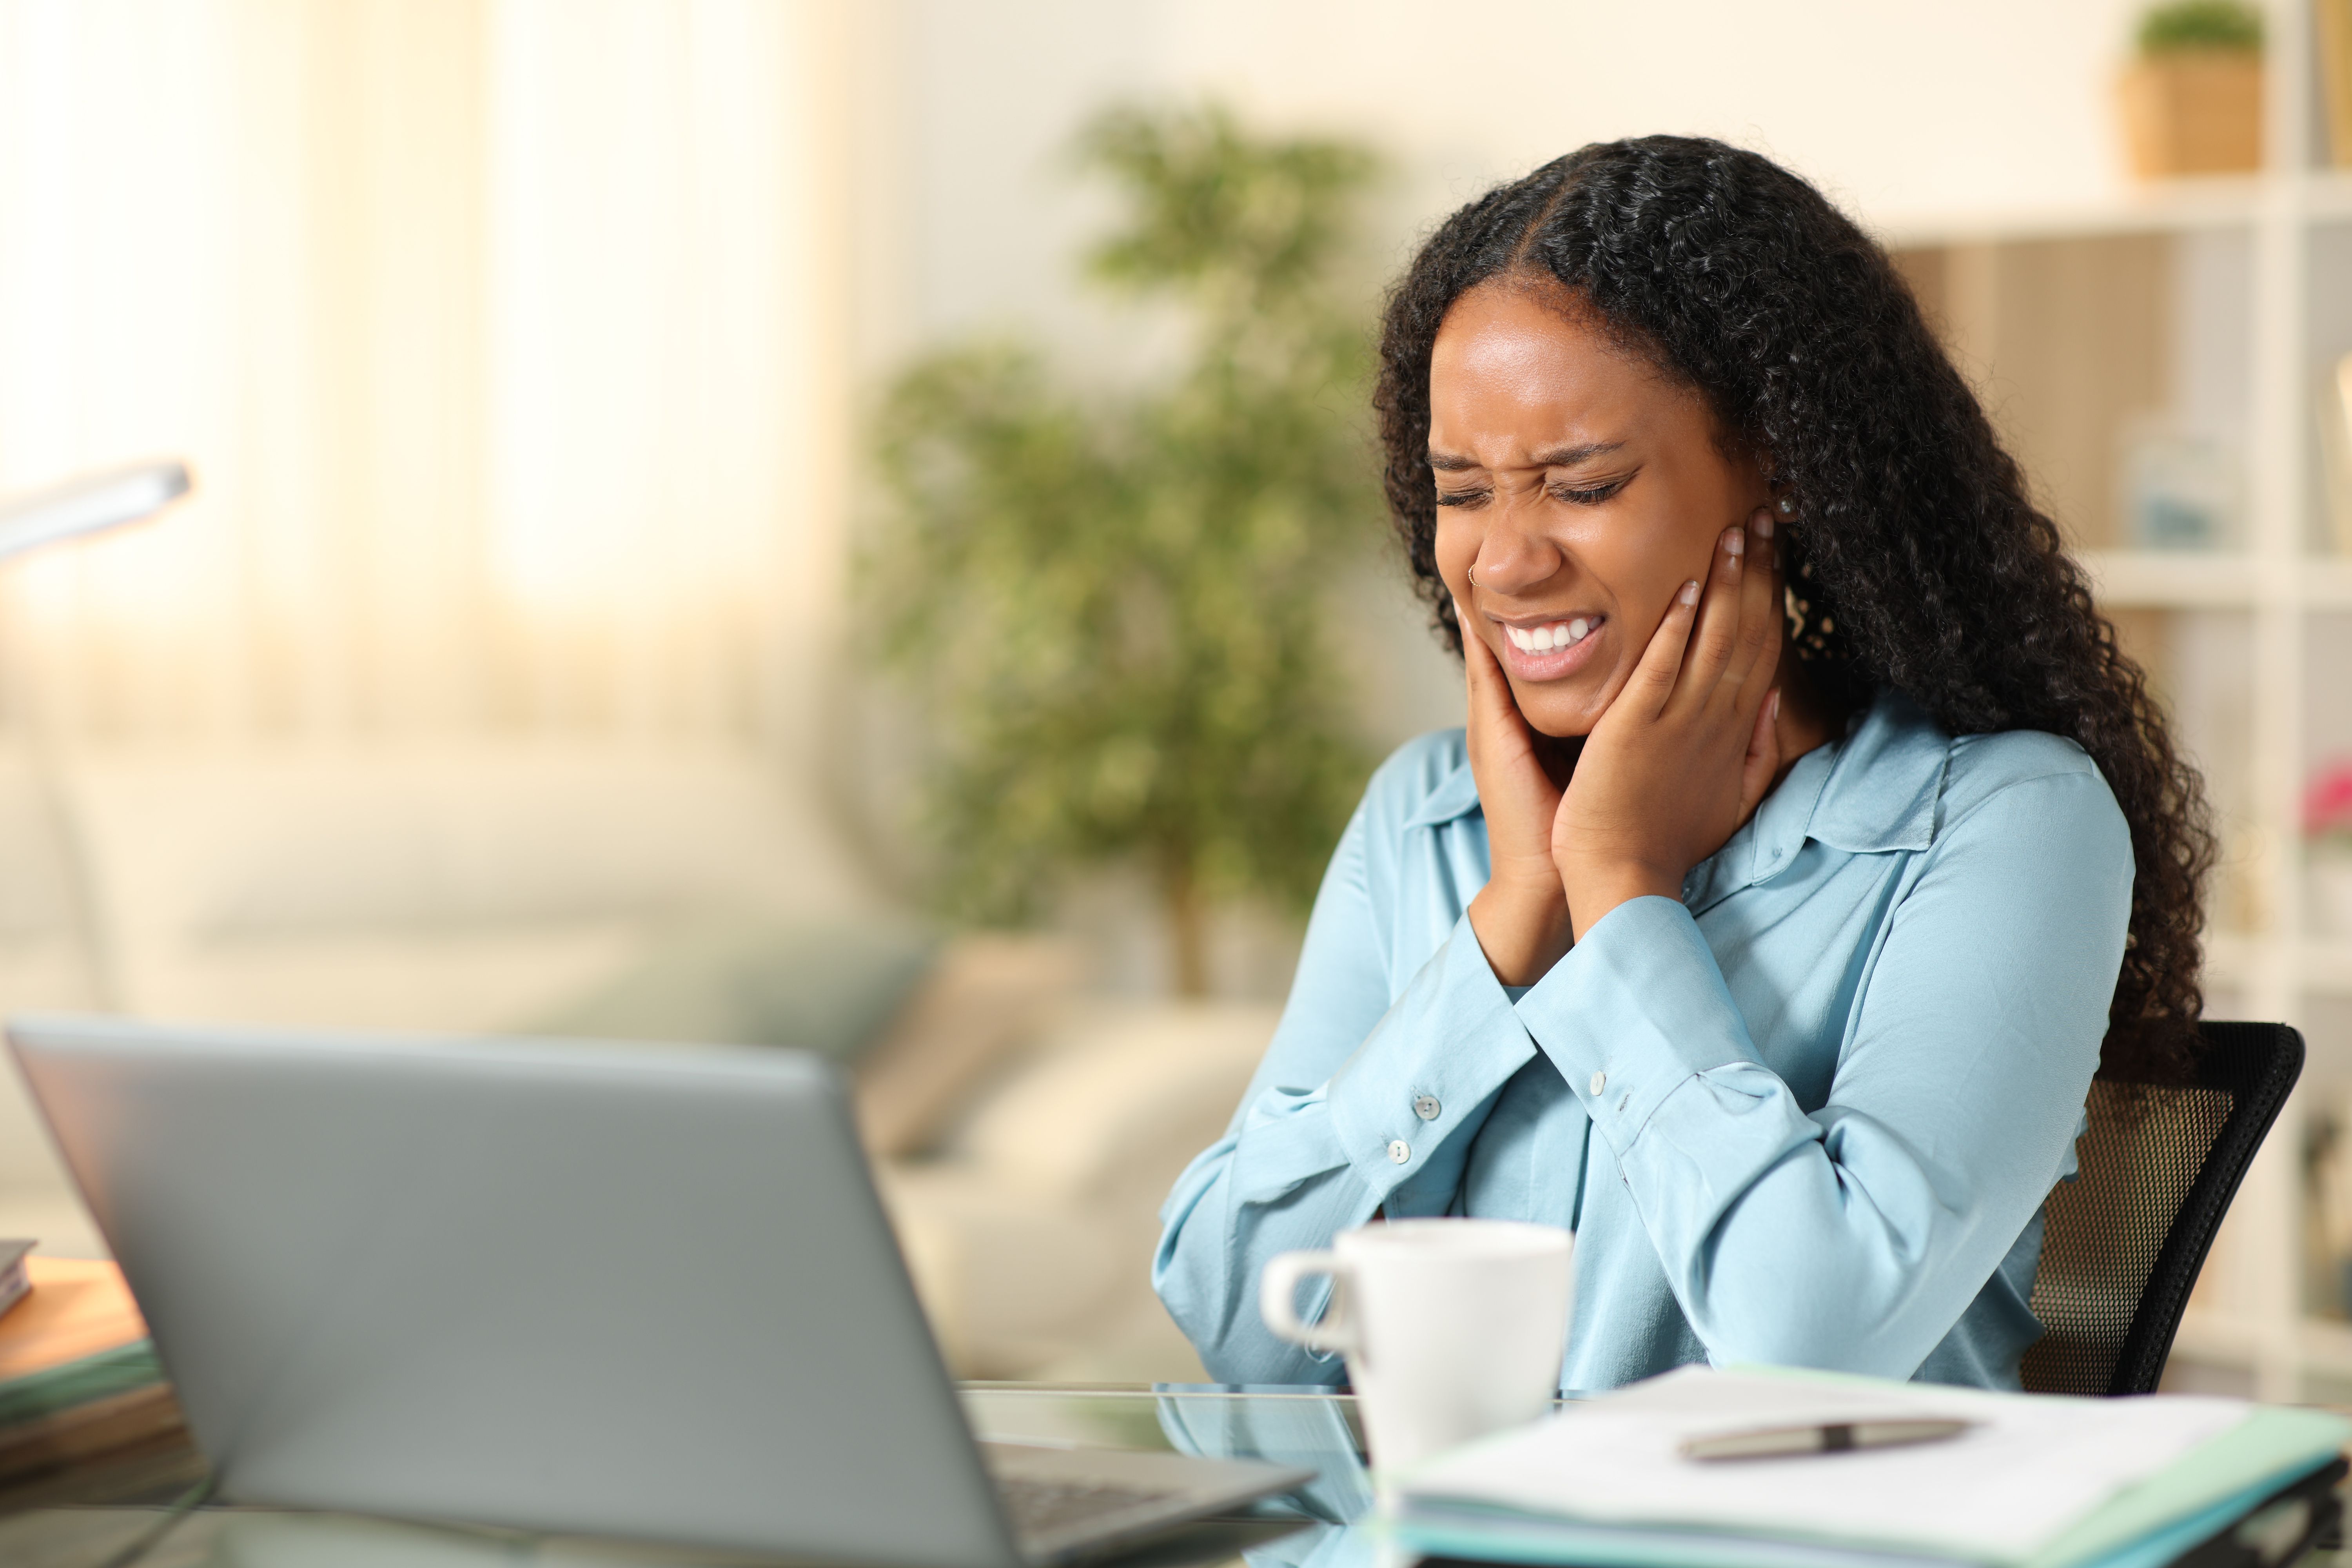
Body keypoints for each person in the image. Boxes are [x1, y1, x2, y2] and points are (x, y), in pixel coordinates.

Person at [1152, 136, 2213, 1393]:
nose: (1505, 562)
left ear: (1779, 467)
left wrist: (1619, 888)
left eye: (1582, 483)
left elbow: (1812, 1340)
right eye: (1464, 492)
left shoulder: (2002, 823)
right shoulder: (1425, 824)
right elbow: (1235, 1324)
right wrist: (1510, 923)